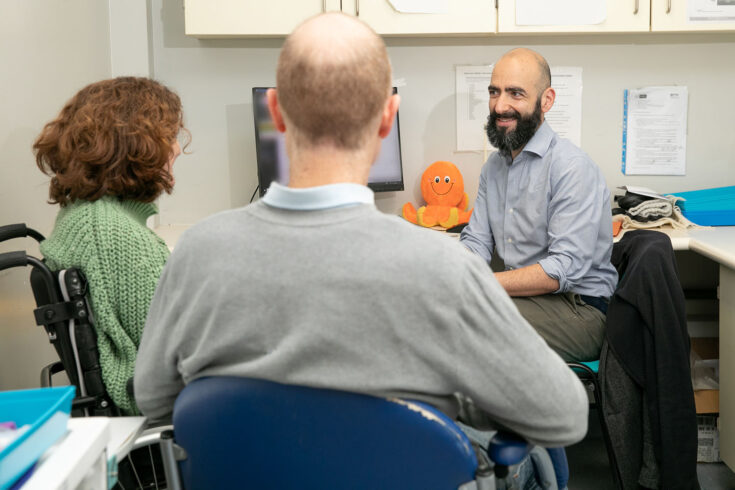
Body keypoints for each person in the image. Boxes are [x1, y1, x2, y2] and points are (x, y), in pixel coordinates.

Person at [135, 13, 587, 453]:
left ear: (276, 111)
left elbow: (152, 400)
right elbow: (563, 415)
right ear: (388, 116)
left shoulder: (195, 252)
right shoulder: (442, 267)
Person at [34, 76, 188, 414]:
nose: (177, 149)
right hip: (160, 416)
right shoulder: (114, 236)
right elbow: (174, 358)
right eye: (170, 138)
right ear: (135, 144)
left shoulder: (83, 216)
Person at [460, 48, 618, 363]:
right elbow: (476, 242)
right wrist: (450, 272)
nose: (500, 106)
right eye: (494, 92)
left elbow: (561, 270)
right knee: (438, 311)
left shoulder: (571, 167)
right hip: (525, 298)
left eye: (515, 93)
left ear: (546, 100)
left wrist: (479, 284)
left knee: (465, 326)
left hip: (580, 309)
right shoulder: (494, 168)